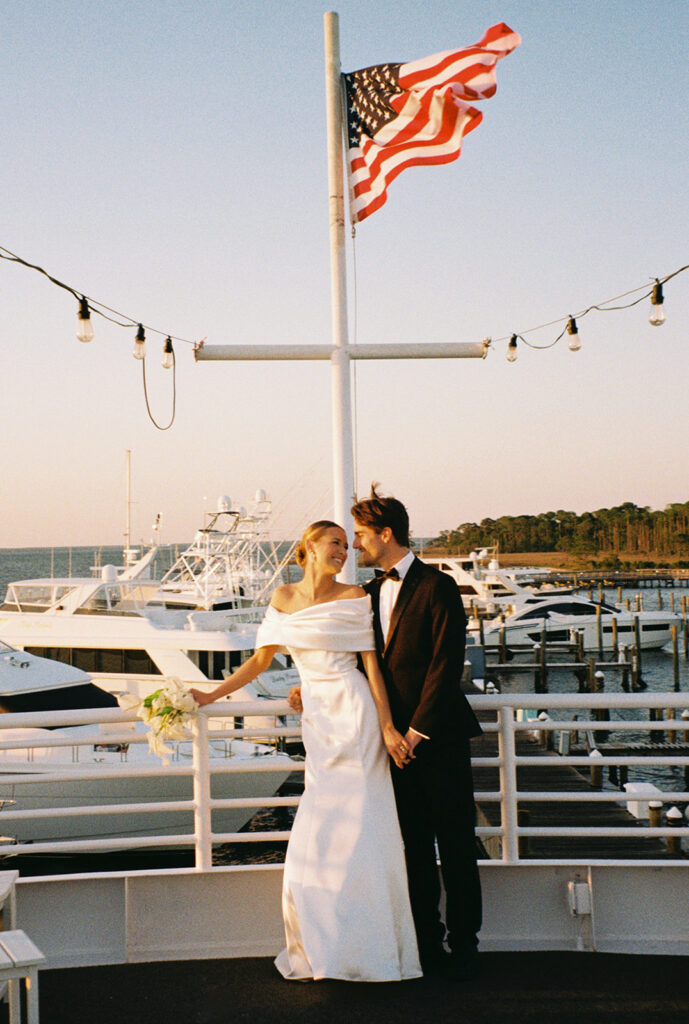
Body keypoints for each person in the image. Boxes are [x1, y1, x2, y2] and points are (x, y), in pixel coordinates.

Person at [191, 520, 421, 983]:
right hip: (316, 717)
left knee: (363, 826)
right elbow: (260, 660)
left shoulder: (355, 597)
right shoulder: (282, 597)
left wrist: (388, 726)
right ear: (309, 548)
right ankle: (322, 945)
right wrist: (212, 697)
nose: (344, 551)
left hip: (354, 714)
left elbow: (370, 667)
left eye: (346, 544)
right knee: (320, 830)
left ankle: (369, 950)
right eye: (335, 543)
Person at [350, 486, 483, 980]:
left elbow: (445, 665)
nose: (356, 543)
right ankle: (425, 941)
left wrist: (416, 732)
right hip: (389, 744)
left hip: (438, 738)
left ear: (386, 534)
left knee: (455, 844)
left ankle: (465, 944)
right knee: (411, 846)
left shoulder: (437, 586)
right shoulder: (365, 593)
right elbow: (361, 664)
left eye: (362, 535)